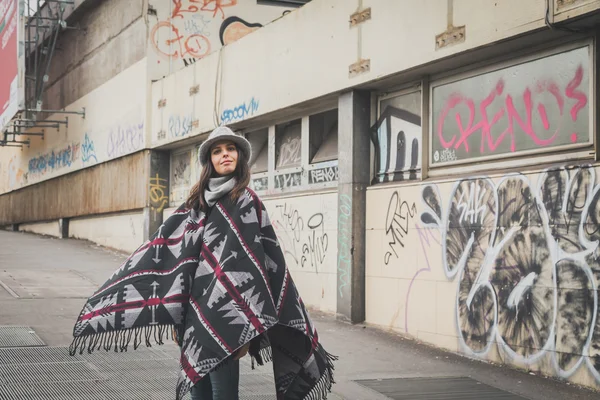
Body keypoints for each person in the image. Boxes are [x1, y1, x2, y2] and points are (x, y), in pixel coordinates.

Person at [70, 126, 336, 400]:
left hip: (229, 319)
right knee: (199, 394)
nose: (225, 155)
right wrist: (177, 320)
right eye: (217, 151)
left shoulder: (247, 202)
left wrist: (251, 327)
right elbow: (176, 260)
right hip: (194, 317)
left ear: (240, 156)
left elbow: (264, 265)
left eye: (230, 149)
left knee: (223, 395)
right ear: (209, 160)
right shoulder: (195, 206)